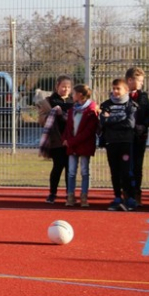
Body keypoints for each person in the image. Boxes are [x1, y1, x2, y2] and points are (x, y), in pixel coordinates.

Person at [99, 78, 138, 211]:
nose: (115, 91)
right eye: (113, 88)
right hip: (111, 142)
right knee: (114, 171)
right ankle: (117, 197)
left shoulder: (131, 105)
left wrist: (111, 120)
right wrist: (116, 119)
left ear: (126, 90)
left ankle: (130, 198)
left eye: (118, 89)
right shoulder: (106, 105)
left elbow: (130, 124)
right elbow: (103, 121)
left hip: (125, 142)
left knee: (126, 171)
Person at [61, 84, 99, 207]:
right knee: (71, 172)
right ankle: (70, 195)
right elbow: (68, 128)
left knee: (84, 171)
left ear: (80, 95)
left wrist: (72, 141)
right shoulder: (72, 110)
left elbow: (88, 132)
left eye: (74, 93)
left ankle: (84, 196)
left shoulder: (91, 111)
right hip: (72, 147)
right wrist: (65, 139)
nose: (72, 95)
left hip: (84, 146)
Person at [38, 76, 73, 204]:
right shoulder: (48, 102)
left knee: (70, 169)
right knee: (58, 167)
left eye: (68, 87)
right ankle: (52, 193)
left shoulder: (74, 101)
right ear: (57, 86)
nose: (66, 89)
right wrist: (52, 114)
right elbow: (41, 120)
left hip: (70, 141)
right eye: (63, 86)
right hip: (56, 141)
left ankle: (70, 194)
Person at [125, 67, 149, 206]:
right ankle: (126, 193)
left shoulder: (143, 96)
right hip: (123, 138)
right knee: (124, 166)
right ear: (130, 80)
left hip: (139, 137)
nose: (142, 84)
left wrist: (143, 125)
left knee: (137, 166)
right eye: (140, 81)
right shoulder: (120, 94)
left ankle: (137, 193)